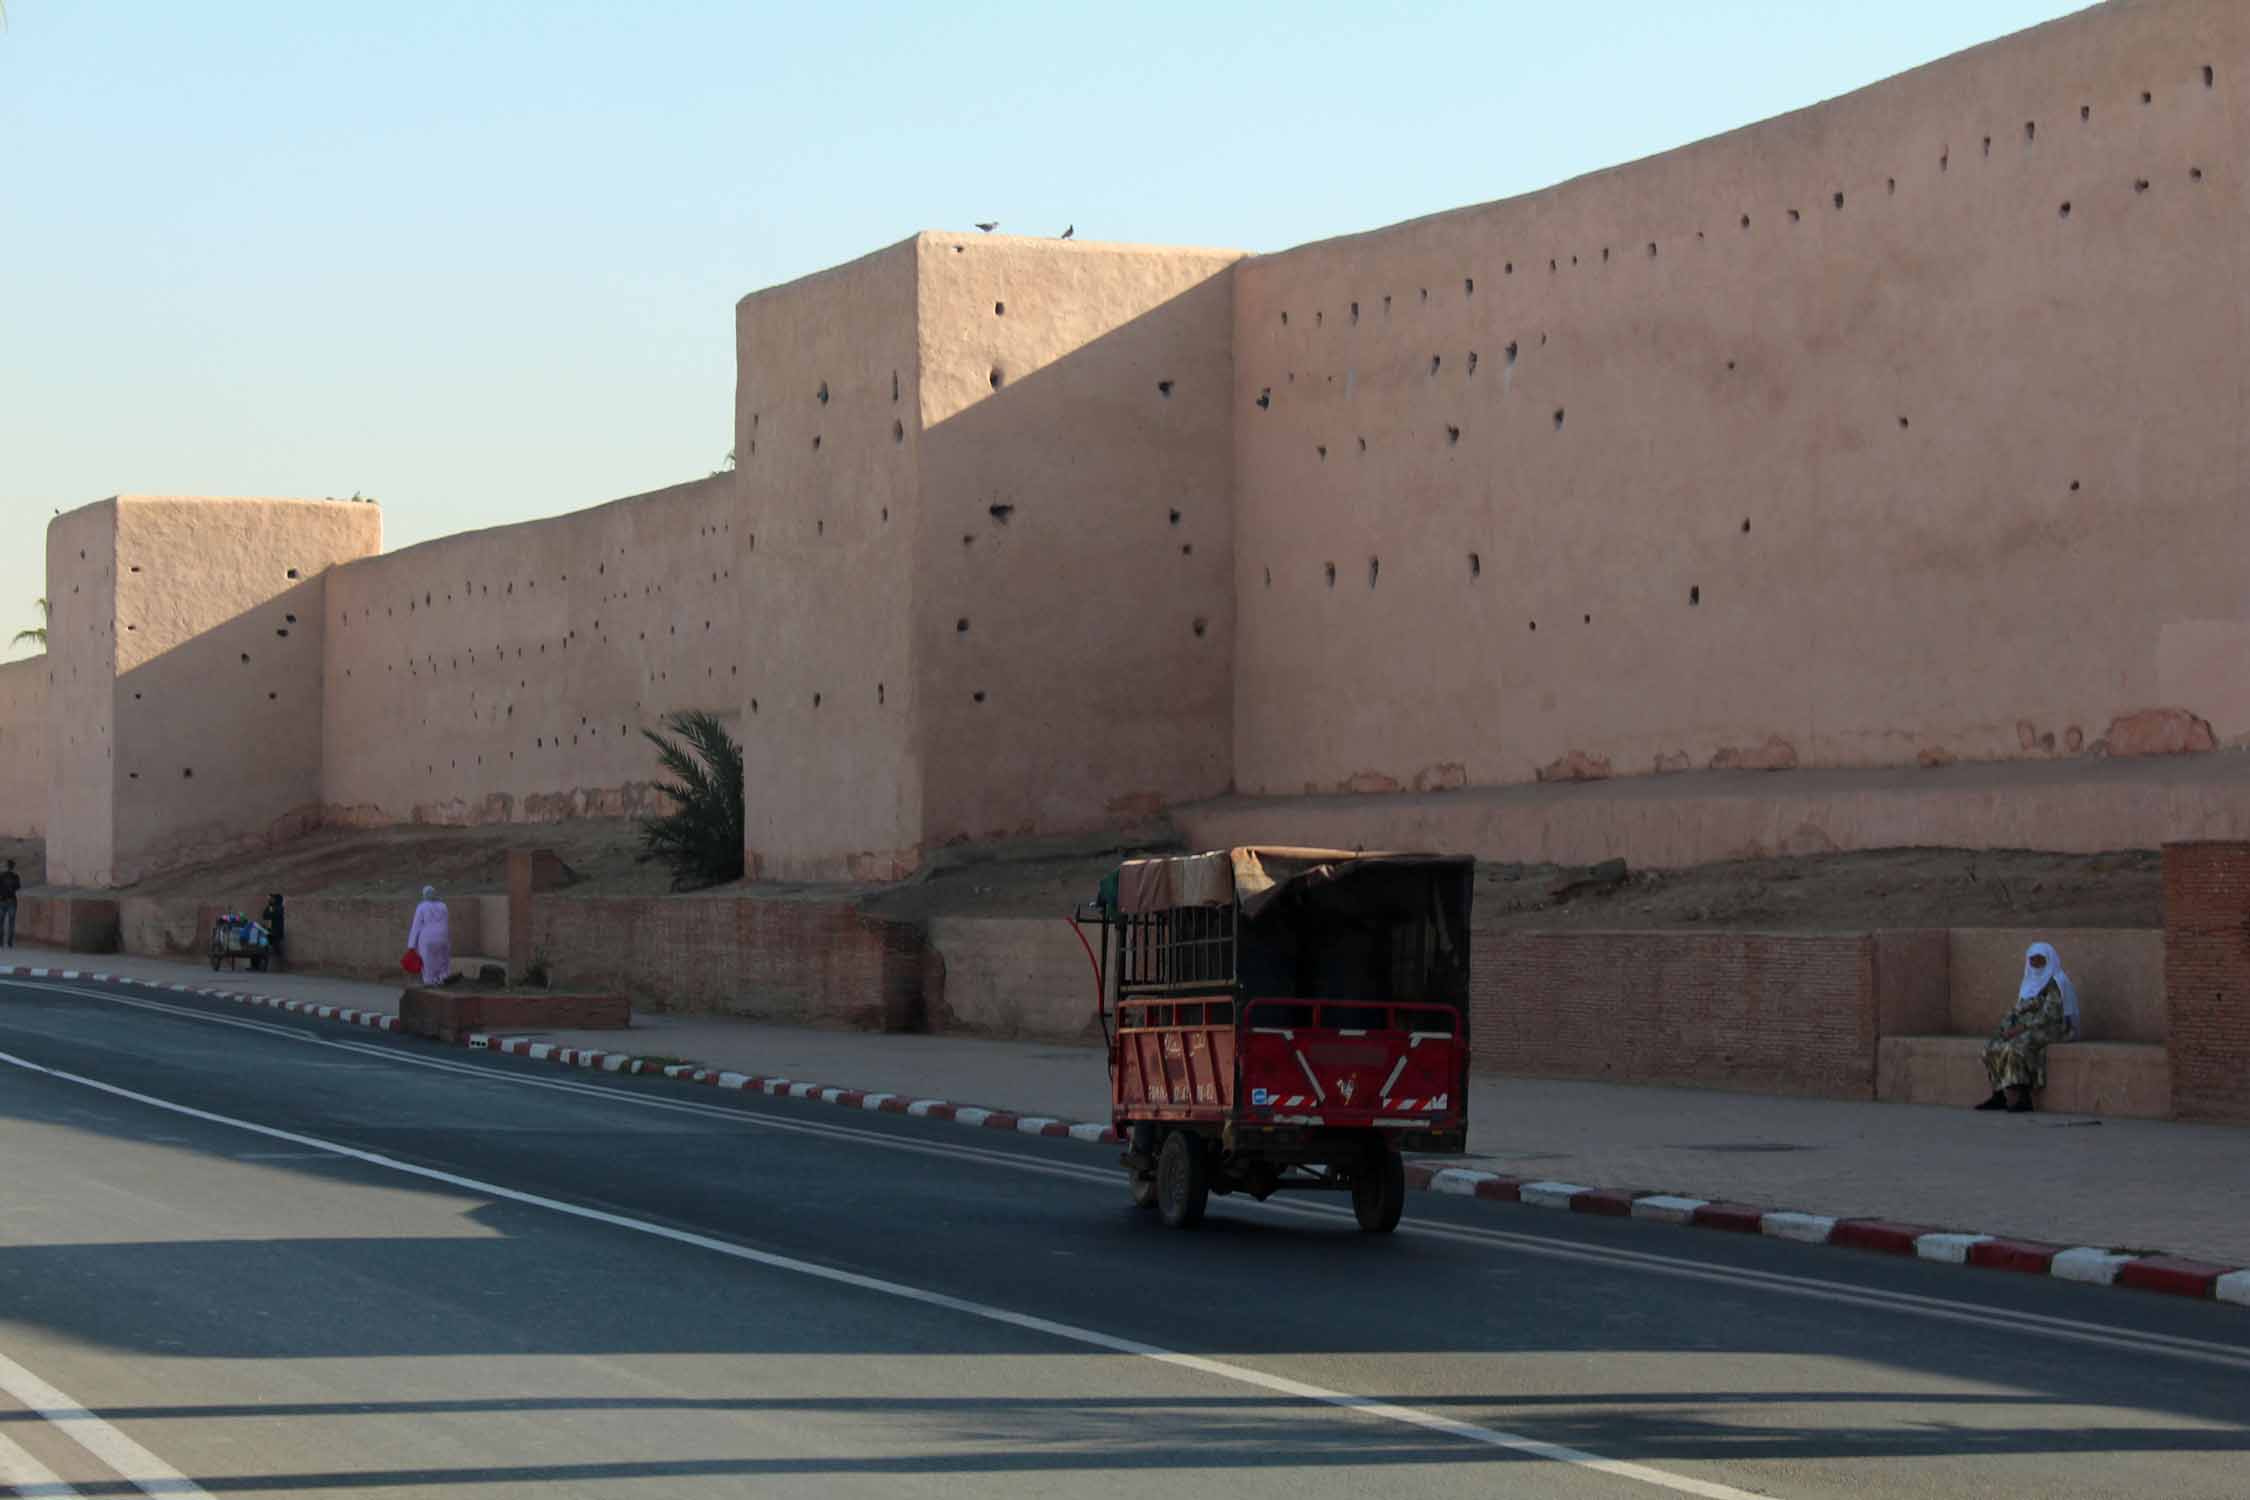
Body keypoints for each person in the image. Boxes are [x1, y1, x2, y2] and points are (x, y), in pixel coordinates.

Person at [1977, 940, 2079, 1114]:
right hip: (2028, 1026)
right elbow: (2019, 1008)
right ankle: (1998, 1094)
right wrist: (2005, 1028)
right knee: (1991, 1046)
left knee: (2017, 1046)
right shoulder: (2030, 979)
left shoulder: (2056, 982)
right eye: (2032, 959)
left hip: (2055, 1028)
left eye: (2039, 959)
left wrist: (2021, 1028)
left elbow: (2050, 1015)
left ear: (2048, 960)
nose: (2035, 963)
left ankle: (2024, 1099)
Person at [406, 885, 452, 987]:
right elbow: (446, 923)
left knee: (428, 961)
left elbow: (416, 926)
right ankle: (442, 978)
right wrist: (448, 940)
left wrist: (411, 945)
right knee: (442, 959)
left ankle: (429, 981)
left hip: (427, 938)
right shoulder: (443, 906)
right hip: (443, 937)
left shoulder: (422, 907)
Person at [260, 892, 287, 972]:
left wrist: (271, 911)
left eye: (272, 899)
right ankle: (263, 966)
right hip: (270, 931)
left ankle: (282, 964)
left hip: (277, 931)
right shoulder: (271, 907)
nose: (270, 900)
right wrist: (270, 908)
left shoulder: (280, 908)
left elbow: (274, 915)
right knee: (264, 946)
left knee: (276, 947)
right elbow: (265, 915)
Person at [0, 859, 19, 949]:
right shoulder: (15, 876)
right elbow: (17, 887)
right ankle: (10, 942)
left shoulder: (1, 875)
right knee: (11, 922)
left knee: (1, 922)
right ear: (13, 867)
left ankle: (1, 941)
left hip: (2, 900)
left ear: (6, 866)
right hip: (12, 900)